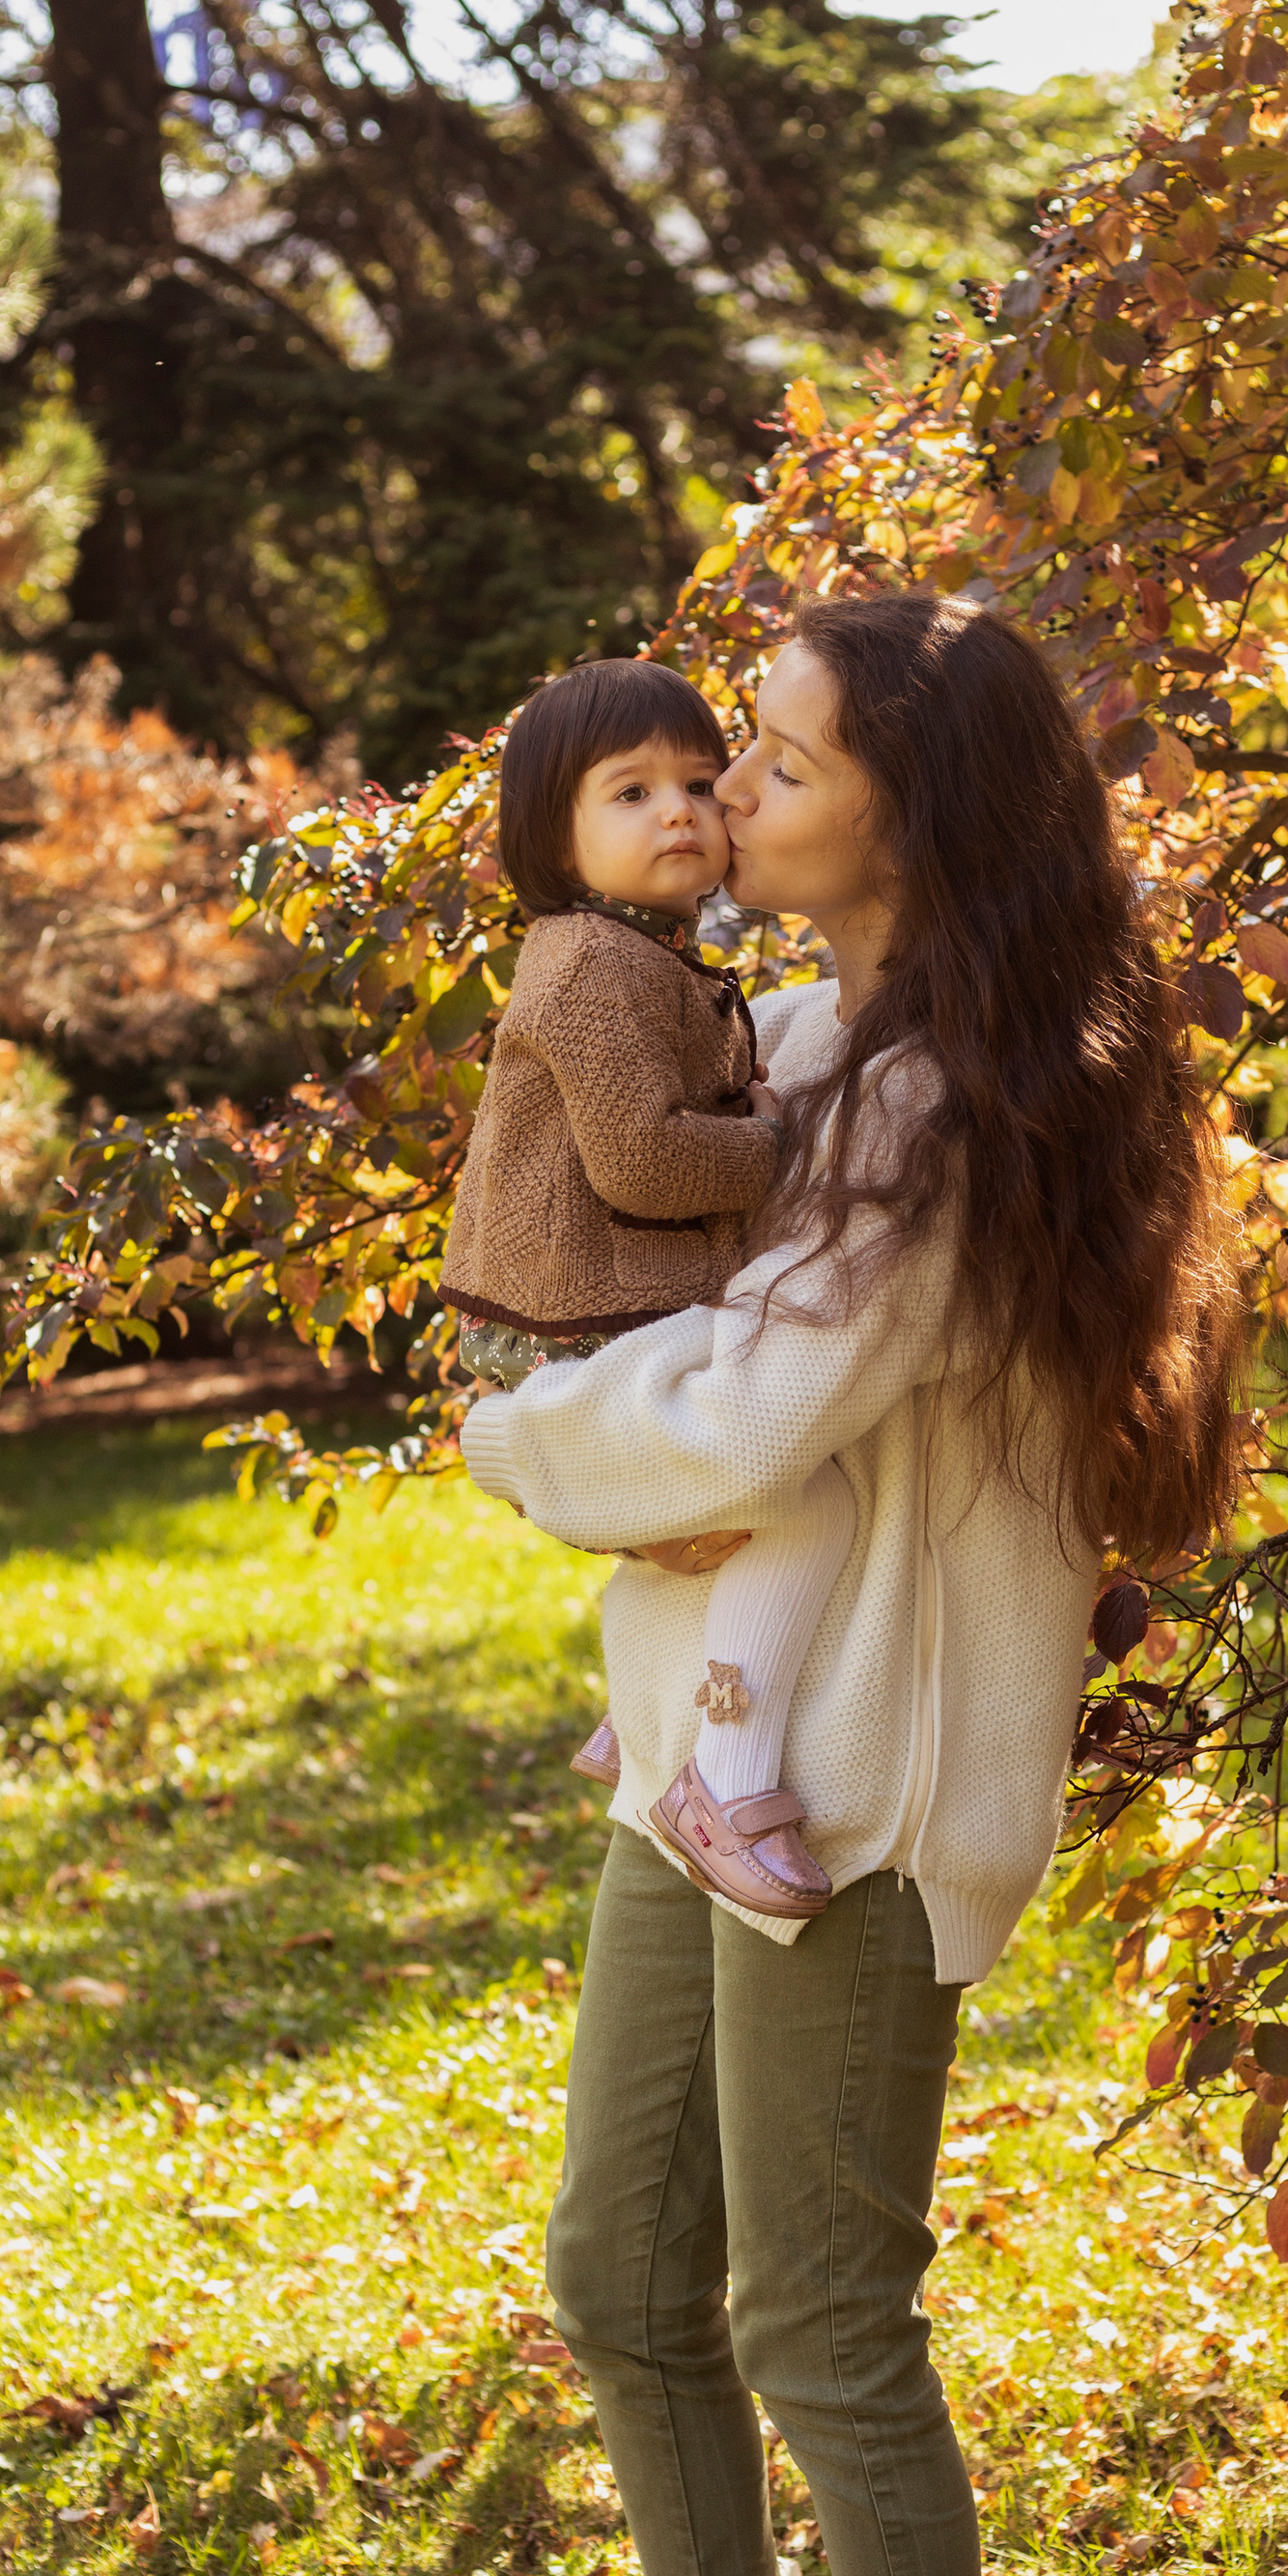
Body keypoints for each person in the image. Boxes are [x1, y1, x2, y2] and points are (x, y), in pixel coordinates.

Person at [457, 591, 1243, 2576]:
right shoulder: (827, 1044)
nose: (731, 795)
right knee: (618, 2274)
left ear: (910, 802)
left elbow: (727, 1417)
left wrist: (498, 1432)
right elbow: (628, 1221)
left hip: (858, 1783)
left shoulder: (944, 1096)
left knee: (812, 2311)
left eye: (779, 757)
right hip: (707, 1764)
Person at [436, 656, 856, 1922]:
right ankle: (720, 1777)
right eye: (629, 793)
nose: (679, 810)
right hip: (571, 1311)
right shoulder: (593, 968)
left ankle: (651, 1711)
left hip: (594, 1303)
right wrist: (781, 1147)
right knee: (802, 1503)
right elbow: (641, 1160)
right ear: (554, 843)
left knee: (705, 1523)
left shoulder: (644, 957)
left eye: (694, 780)